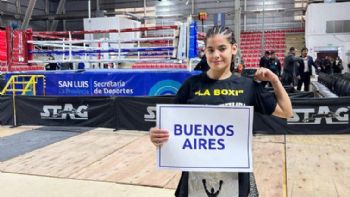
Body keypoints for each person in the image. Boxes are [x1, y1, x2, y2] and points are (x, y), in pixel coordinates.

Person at [149, 26, 293, 197]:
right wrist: (157, 135)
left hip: (236, 178)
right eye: (210, 50)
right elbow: (170, 127)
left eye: (222, 48)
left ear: (234, 49)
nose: (216, 55)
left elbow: (286, 111)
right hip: (195, 177)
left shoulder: (247, 86)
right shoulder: (191, 85)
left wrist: (275, 80)